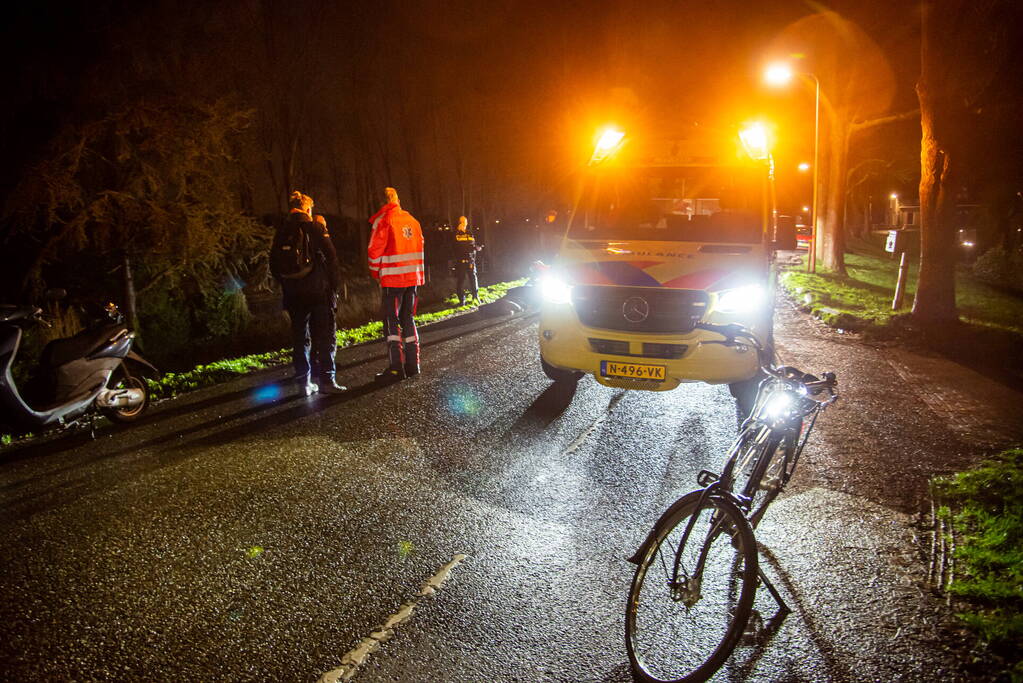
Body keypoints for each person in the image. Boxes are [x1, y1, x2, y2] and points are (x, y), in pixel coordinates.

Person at [270, 190, 346, 395]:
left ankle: (303, 383)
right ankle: (327, 381)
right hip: (319, 292)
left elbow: (274, 266)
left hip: (293, 295)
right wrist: (335, 288)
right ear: (307, 208)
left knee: (299, 337)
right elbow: (332, 259)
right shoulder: (315, 228)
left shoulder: (283, 231)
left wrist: (289, 284)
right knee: (325, 335)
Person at [368, 187, 425, 381]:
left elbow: (374, 252)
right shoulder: (413, 221)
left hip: (392, 280)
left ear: (381, 203)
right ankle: (413, 364)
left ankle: (395, 368)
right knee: (408, 318)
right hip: (413, 279)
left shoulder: (383, 221)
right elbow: (420, 247)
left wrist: (375, 273)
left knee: (392, 322)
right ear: (397, 200)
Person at [452, 215, 483, 306]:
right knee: (460, 281)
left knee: (473, 279)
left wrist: (477, 248)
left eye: (465, 221)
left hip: (471, 261)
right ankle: (462, 300)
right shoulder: (456, 234)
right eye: (462, 221)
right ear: (459, 223)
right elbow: (458, 247)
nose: (464, 223)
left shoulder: (470, 233)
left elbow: (472, 245)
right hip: (461, 262)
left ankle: (475, 297)